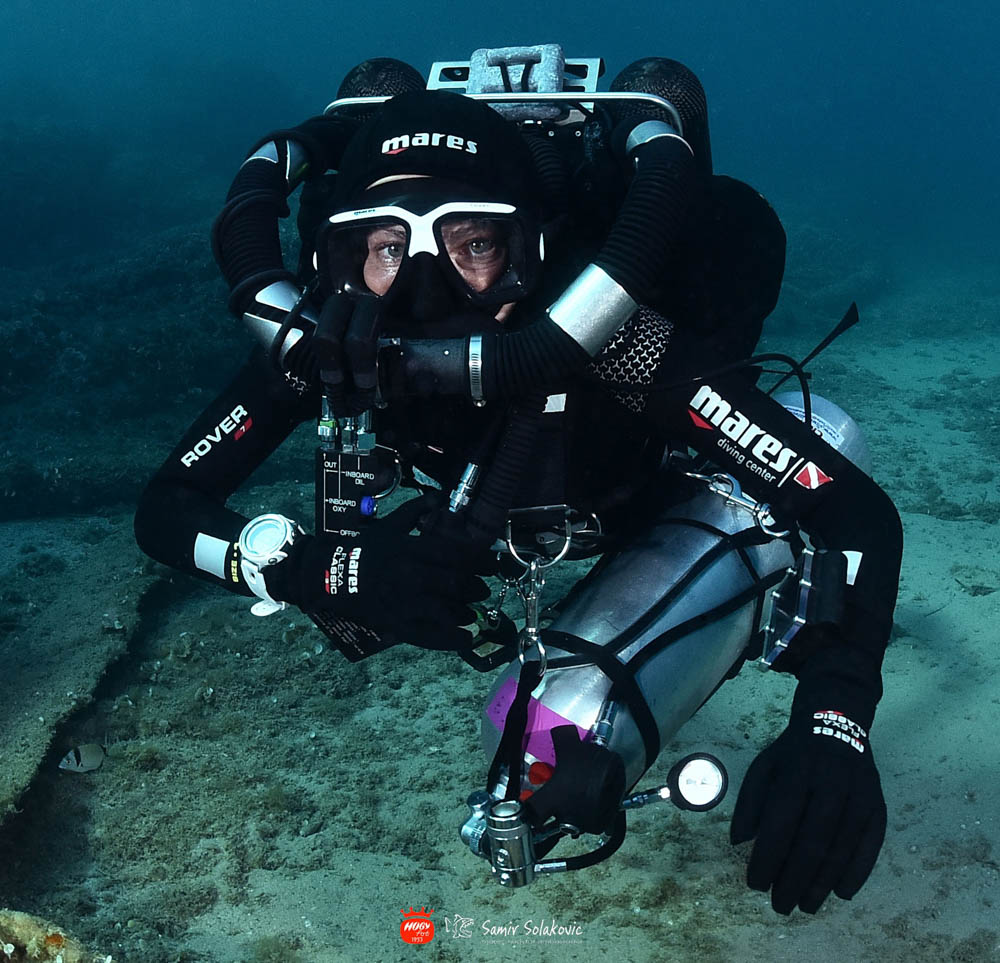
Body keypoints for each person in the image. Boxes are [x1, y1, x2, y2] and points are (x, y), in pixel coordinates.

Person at [134, 52, 903, 916]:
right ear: (335, 256)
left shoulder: (615, 340)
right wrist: (317, 570)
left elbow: (853, 510)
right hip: (501, 514)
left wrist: (835, 719)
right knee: (546, 741)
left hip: (640, 499)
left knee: (566, 722)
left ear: (530, 250)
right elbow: (167, 508)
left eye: (472, 243)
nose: (422, 288)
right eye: (385, 246)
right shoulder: (323, 345)